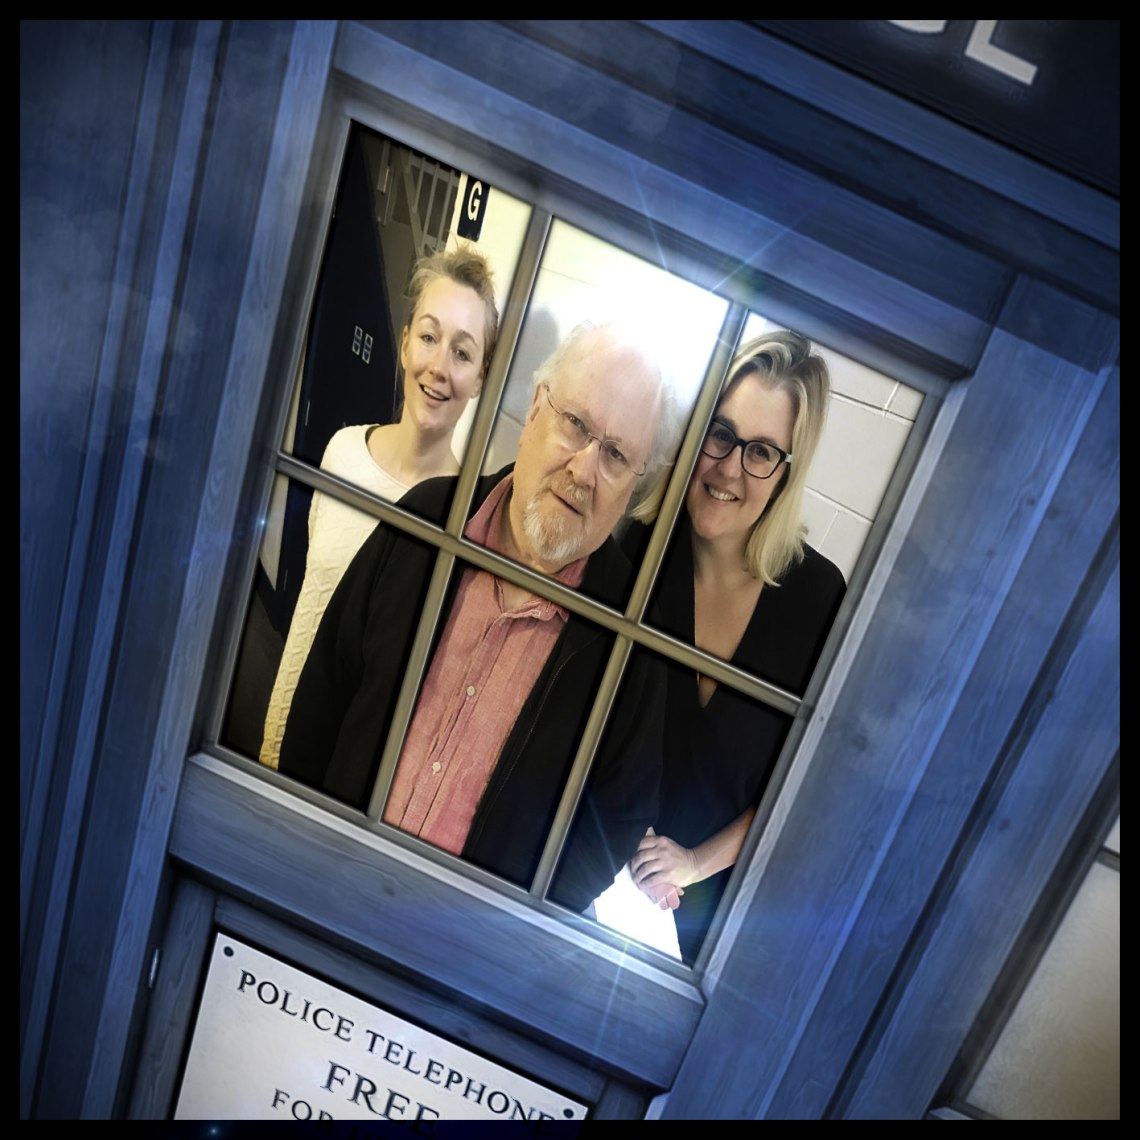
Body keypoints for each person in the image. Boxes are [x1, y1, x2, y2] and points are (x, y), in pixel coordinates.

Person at [279, 320, 681, 913]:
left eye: (617, 454)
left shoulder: (634, 641)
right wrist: (292, 848)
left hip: (455, 949)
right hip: (326, 885)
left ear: (635, 484)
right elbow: (325, 690)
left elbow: (613, 826)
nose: (584, 470)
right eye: (575, 424)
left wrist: (506, 933)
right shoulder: (427, 519)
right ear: (536, 407)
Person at [629, 329, 847, 964]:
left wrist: (692, 863)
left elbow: (808, 786)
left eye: (761, 452)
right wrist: (631, 849)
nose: (728, 468)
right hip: (604, 874)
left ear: (785, 474)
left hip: (734, 925)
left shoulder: (820, 599)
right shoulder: (637, 553)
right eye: (721, 434)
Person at [259, 245, 499, 770]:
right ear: (405, 342)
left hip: (353, 776)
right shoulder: (342, 451)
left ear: (481, 377)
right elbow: (311, 601)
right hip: (276, 738)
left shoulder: (466, 522)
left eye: (462, 353)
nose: (439, 367)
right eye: (429, 337)